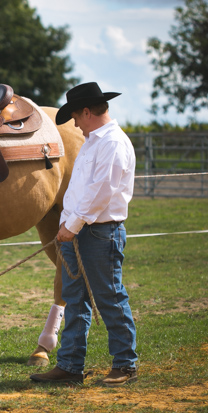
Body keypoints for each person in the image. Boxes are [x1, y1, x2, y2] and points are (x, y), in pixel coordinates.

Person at [30, 82, 139, 387]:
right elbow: (80, 192)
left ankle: (125, 364)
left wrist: (71, 226)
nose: (75, 123)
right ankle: (69, 365)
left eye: (76, 116)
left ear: (88, 112)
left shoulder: (113, 143)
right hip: (78, 232)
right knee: (75, 299)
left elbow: (100, 193)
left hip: (99, 232)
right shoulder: (93, 142)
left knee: (110, 297)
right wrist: (68, 225)